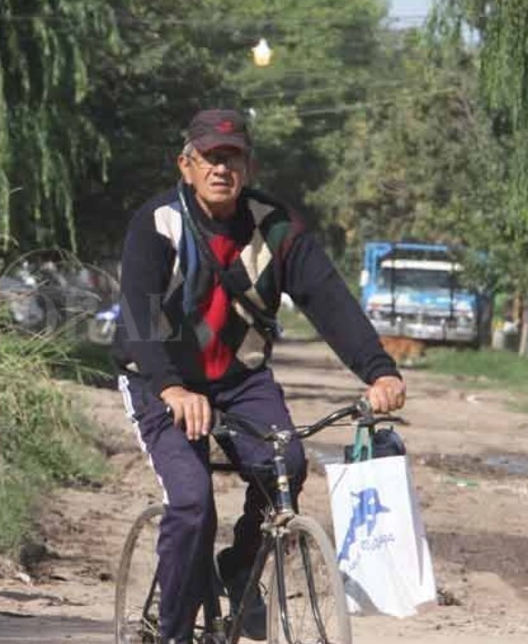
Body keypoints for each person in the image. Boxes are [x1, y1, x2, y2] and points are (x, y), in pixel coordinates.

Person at [111, 109, 407, 642]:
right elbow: (138, 315)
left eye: (233, 158)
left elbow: (329, 301)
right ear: (186, 164)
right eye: (210, 158)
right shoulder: (158, 223)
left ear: (248, 166)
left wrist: (379, 370)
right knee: (192, 500)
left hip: (240, 379)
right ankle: (175, 632)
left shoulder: (276, 226)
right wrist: (171, 386)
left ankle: (241, 566)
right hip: (160, 380)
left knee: (287, 465)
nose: (221, 168)